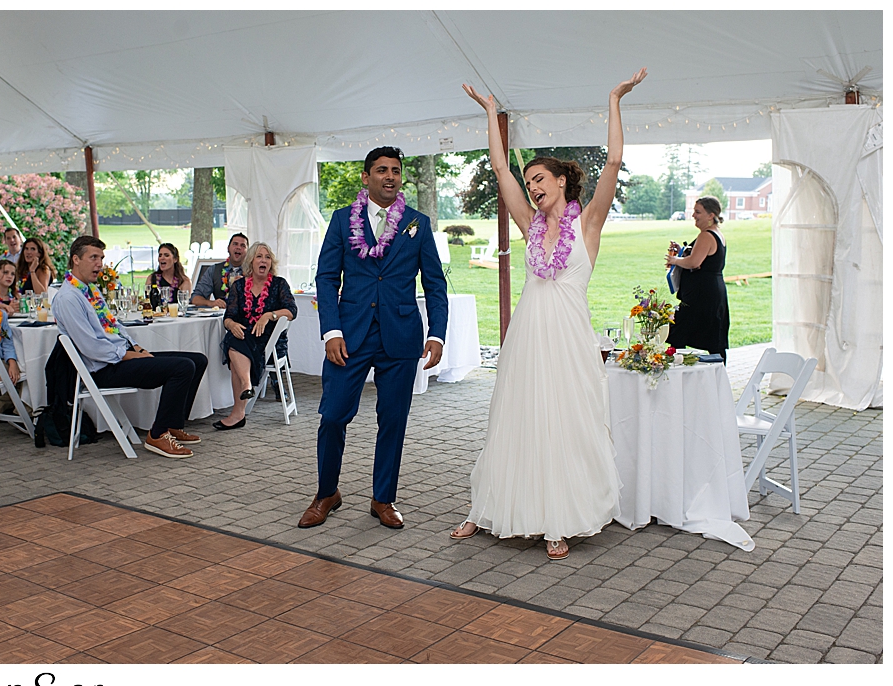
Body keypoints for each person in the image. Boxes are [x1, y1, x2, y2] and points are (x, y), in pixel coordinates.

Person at [454, 68, 646, 560]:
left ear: (562, 181)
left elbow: (615, 162)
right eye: (529, 182)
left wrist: (614, 98)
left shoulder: (590, 223)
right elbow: (500, 172)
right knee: (514, 420)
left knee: (567, 423)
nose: (532, 187)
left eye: (539, 180)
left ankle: (559, 519)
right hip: (527, 337)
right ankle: (489, 507)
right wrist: (491, 114)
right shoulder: (529, 224)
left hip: (569, 340)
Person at [298, 146, 448, 531]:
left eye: (395, 170)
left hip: (400, 336)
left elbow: (434, 284)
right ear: (366, 177)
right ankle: (326, 493)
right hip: (349, 335)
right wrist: (331, 330)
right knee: (332, 415)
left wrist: (437, 335)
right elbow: (327, 278)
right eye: (381, 170)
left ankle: (383, 498)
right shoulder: (340, 221)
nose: (390, 176)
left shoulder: (418, 223)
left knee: (393, 420)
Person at [52, 235, 208, 459]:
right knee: (182, 368)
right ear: (76, 259)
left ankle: (172, 424)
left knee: (198, 360)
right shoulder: (68, 298)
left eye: (101, 258)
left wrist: (136, 347)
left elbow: (114, 325)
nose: (99, 264)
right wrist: (129, 356)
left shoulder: (90, 291)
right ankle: (157, 435)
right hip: (103, 369)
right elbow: (91, 348)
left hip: (119, 356)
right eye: (93, 257)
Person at [214, 242, 297, 430]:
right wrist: (232, 324)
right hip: (244, 334)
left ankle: (239, 410)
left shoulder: (279, 284)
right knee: (233, 339)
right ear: (251, 261)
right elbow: (228, 317)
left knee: (235, 349)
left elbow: (292, 310)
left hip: (270, 340)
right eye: (259, 256)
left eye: (267, 257)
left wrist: (269, 315)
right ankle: (246, 386)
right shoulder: (239, 286)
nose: (264, 260)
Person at [665, 196, 730, 363]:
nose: (694, 215)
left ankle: (677, 370)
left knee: (679, 334)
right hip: (713, 292)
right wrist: (682, 252)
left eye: (698, 212)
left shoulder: (706, 236)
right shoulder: (716, 234)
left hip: (701, 296)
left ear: (711, 215)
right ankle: (718, 374)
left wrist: (674, 260)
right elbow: (700, 257)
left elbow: (694, 262)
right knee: (713, 338)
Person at [190, 232, 248, 309]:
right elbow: (195, 298)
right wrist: (211, 303)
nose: (238, 247)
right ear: (228, 248)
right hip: (220, 317)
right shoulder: (214, 270)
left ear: (248, 251)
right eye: (235, 244)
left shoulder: (253, 271)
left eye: (243, 245)